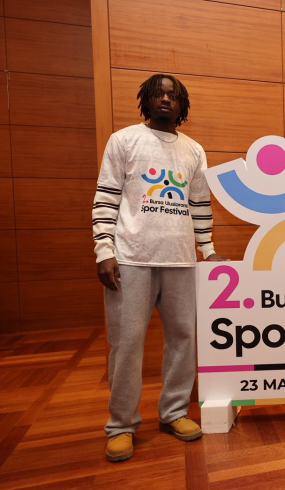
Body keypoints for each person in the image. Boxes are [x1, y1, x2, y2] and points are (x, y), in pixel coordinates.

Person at [93, 74, 227, 462]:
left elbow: (199, 204)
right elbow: (106, 196)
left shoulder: (194, 150)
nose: (166, 99)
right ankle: (121, 425)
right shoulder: (124, 140)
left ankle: (173, 413)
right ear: (146, 101)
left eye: (173, 95)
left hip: (181, 260)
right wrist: (104, 250)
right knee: (126, 344)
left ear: (183, 106)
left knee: (184, 338)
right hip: (131, 259)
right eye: (159, 94)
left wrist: (207, 250)